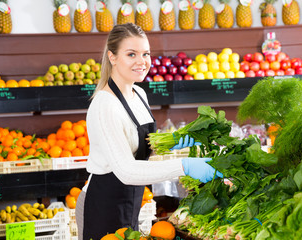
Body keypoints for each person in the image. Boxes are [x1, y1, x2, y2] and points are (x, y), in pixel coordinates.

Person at [75, 23, 222, 240]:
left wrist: (173, 141)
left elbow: (138, 144)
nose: (141, 61)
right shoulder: (105, 104)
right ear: (112, 57)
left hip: (130, 201)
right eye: (131, 54)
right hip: (102, 205)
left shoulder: (139, 94)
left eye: (146, 54)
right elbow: (126, 171)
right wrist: (186, 166)